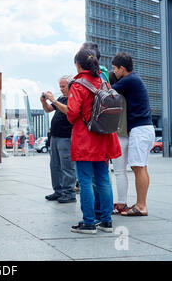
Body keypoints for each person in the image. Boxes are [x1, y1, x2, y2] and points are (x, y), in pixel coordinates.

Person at [67, 49, 121, 234]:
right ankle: (106, 221)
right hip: (103, 137)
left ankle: (89, 222)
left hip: (85, 138)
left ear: (78, 64)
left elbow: (72, 113)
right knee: (104, 179)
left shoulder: (78, 84)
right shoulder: (103, 81)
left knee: (85, 181)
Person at [111, 52, 155, 217]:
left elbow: (107, 92)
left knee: (138, 167)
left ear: (122, 68)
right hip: (143, 129)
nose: (114, 72)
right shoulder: (134, 79)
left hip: (140, 129)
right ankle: (140, 203)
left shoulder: (129, 80)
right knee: (141, 167)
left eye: (115, 68)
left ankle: (141, 206)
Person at [40, 76, 77, 204]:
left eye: (63, 86)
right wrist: (44, 102)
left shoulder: (73, 98)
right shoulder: (61, 99)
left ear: (70, 86)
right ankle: (58, 191)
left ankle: (69, 193)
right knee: (55, 165)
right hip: (55, 136)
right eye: (60, 86)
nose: (61, 89)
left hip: (66, 136)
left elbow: (68, 111)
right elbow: (48, 109)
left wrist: (53, 100)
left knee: (67, 166)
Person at [109, 71, 130, 214]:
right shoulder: (129, 92)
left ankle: (121, 203)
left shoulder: (114, 95)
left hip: (119, 135)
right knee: (124, 171)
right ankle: (122, 202)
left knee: (119, 172)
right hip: (130, 133)